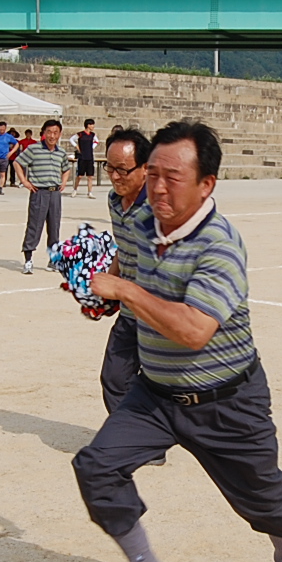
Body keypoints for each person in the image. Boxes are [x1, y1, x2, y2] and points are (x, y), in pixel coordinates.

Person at [74, 120, 282, 562]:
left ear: (206, 184)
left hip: (227, 400)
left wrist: (126, 291)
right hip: (155, 394)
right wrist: (101, 294)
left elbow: (195, 330)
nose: (157, 187)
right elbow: (126, 267)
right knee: (96, 467)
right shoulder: (141, 224)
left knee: (266, 501)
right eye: (153, 174)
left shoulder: (220, 245)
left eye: (172, 177)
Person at [99, 127, 154, 414]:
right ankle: (130, 434)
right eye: (110, 168)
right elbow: (123, 246)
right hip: (130, 312)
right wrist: (110, 282)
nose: (115, 176)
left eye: (123, 169)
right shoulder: (113, 201)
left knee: (167, 384)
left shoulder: (160, 207)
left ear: (145, 168)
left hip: (160, 316)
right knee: (115, 378)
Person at [17, 119, 69, 275]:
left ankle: (53, 260)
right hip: (39, 192)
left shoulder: (61, 152)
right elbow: (18, 163)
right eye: (49, 132)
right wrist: (24, 181)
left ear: (59, 134)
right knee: (35, 225)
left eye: (55, 133)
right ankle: (28, 259)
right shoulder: (34, 149)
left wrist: (64, 182)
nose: (52, 136)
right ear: (44, 133)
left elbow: (66, 168)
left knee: (54, 226)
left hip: (55, 193)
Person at [70, 119, 98, 198]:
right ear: (88, 125)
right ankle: (75, 190)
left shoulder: (93, 135)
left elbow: (96, 141)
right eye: (92, 124)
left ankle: (90, 192)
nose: (93, 126)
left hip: (90, 157)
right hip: (82, 157)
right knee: (79, 176)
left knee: (90, 176)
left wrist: (92, 147)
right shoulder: (80, 134)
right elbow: (71, 139)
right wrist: (76, 146)